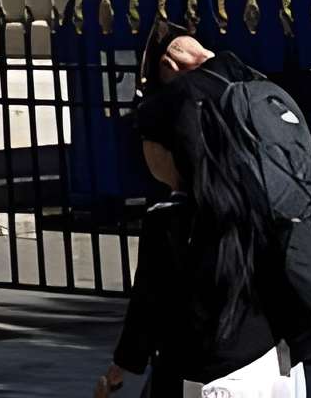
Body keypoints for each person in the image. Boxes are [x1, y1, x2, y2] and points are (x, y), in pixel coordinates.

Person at [98, 70, 293, 398]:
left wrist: (123, 364)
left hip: (208, 373)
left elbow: (149, 303)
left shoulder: (168, 221)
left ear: (168, 149)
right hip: (273, 360)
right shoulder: (255, 200)